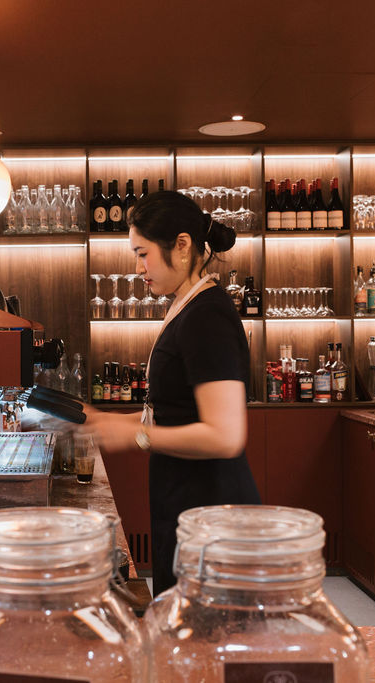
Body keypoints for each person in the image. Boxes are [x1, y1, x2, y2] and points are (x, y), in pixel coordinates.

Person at [82, 190, 260, 594]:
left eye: (143, 253)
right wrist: (107, 422)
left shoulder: (208, 314)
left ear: (181, 246)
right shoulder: (186, 305)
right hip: (187, 504)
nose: (138, 267)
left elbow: (225, 435)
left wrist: (136, 435)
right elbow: (174, 412)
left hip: (212, 519)